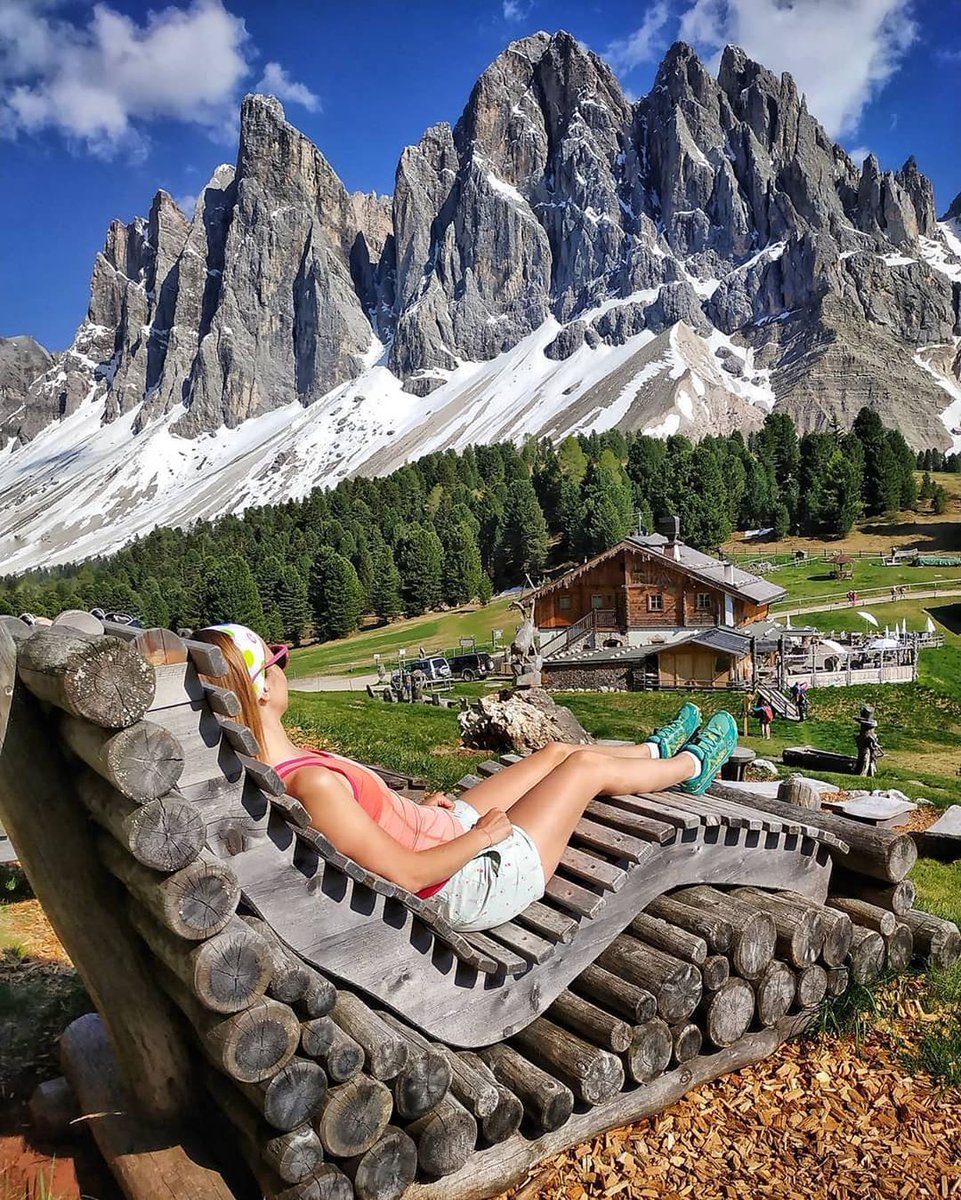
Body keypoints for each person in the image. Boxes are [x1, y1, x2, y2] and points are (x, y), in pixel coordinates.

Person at [193, 624, 738, 935]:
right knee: (583, 768)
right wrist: (481, 838)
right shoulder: (312, 784)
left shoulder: (289, 765)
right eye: (277, 660)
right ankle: (693, 767)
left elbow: (367, 821)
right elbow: (407, 875)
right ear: (262, 688)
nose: (284, 667)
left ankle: (652, 752)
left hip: (440, 833)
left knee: (552, 753)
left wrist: (409, 811)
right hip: (468, 881)